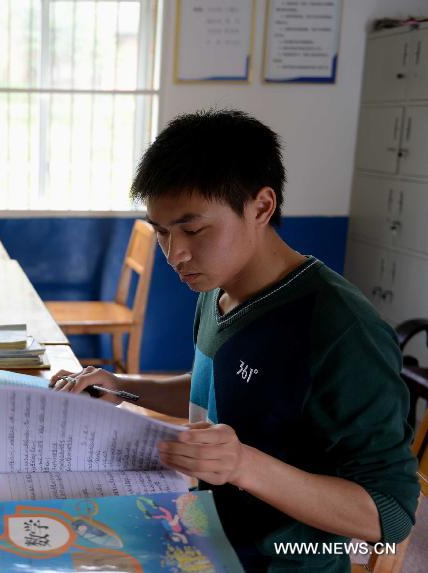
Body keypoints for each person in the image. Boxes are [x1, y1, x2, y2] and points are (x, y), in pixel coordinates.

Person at [53, 110, 419, 571]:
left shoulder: (342, 330)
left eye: (193, 229)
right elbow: (216, 390)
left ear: (261, 207)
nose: (175, 254)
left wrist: (244, 465)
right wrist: (122, 388)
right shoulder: (217, 286)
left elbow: (391, 515)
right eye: (162, 232)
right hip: (198, 532)